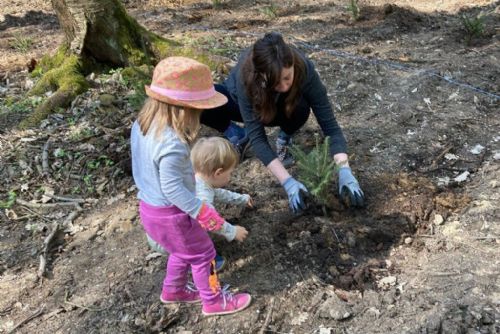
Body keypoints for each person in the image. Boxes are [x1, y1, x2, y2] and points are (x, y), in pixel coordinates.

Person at [130, 56, 251, 316]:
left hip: (149, 209)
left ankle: (173, 290)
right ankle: (213, 300)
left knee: (182, 250)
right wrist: (200, 211)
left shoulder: (141, 126)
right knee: (204, 255)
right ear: (185, 109)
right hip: (173, 215)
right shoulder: (172, 144)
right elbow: (173, 189)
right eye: (199, 110)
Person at [201, 32, 365, 213]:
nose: (285, 86)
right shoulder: (246, 77)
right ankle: (235, 133)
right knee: (201, 97)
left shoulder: (304, 70)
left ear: (293, 65)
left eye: (287, 78)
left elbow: (331, 127)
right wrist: (288, 182)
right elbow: (259, 139)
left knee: (301, 108)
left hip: (285, 110)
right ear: (261, 76)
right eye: (276, 83)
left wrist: (344, 170)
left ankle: (284, 138)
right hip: (244, 105)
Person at [191, 137, 252, 266]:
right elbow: (209, 220)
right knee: (196, 236)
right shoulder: (203, 196)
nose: (230, 177)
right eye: (230, 173)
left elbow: (220, 194)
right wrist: (232, 231)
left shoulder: (198, 179)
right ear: (218, 173)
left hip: (160, 228)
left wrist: (242, 199)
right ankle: (207, 262)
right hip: (176, 234)